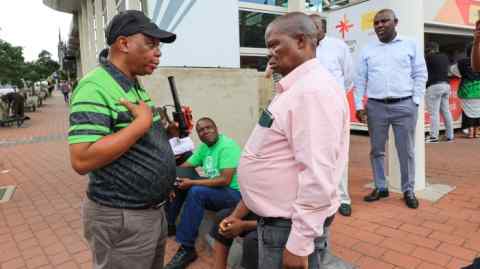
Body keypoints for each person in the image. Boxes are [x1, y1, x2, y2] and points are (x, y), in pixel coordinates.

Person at [226, 12, 351, 269]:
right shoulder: (297, 87)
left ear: (302, 42)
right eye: (267, 47)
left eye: (275, 45)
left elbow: (318, 174)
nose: (269, 53)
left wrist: (300, 243)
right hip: (278, 224)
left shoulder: (312, 92)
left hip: (289, 229)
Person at [68, 10, 177, 269]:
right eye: (150, 44)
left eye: (158, 46)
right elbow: (81, 159)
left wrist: (168, 132)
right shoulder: (94, 87)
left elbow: (137, 137)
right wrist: (140, 125)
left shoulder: (133, 84)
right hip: (122, 218)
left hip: (150, 213)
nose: (158, 53)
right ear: (124, 44)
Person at [354, 9, 427, 209]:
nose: (379, 25)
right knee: (376, 150)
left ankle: (408, 189)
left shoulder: (410, 44)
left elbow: (420, 73)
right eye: (376, 22)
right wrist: (360, 106)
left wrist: (415, 101)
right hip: (376, 106)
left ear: (395, 22)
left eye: (384, 21)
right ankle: (380, 186)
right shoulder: (367, 49)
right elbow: (360, 80)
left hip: (405, 105)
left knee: (406, 151)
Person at [165, 117, 242, 269]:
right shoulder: (204, 148)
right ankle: (169, 224)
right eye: (201, 130)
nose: (205, 131)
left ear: (216, 128)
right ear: (198, 134)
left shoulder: (227, 146)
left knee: (195, 191)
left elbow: (225, 180)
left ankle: (186, 248)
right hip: (217, 190)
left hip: (234, 194)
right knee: (179, 178)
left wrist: (192, 182)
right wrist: (172, 180)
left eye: (208, 127)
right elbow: (184, 168)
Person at [310, 13, 354, 217]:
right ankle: (319, 196)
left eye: (315, 26)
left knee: (339, 153)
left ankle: (342, 198)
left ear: (324, 29)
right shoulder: (302, 47)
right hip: (309, 108)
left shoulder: (339, 46)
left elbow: (348, 78)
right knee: (313, 152)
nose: (311, 29)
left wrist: (333, 97)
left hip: (334, 108)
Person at [424, 41, 454, 143]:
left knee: (433, 113)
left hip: (434, 86)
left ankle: (433, 137)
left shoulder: (427, 57)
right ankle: (450, 135)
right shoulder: (445, 57)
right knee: (446, 111)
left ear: (429, 49)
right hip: (446, 85)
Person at [457, 43, 480, 138]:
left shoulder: (461, 62)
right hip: (478, 90)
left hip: (466, 90)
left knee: (468, 112)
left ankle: (470, 132)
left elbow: (454, 70)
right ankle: (477, 132)